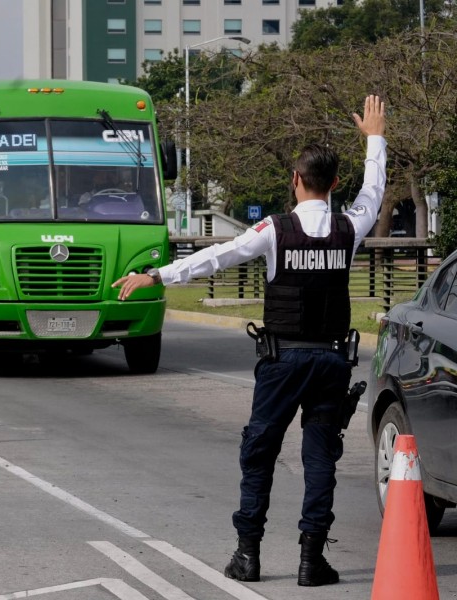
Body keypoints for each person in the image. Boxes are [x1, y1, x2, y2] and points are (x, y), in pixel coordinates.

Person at [112, 95, 386, 587]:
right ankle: (311, 560)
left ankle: (248, 555)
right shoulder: (351, 226)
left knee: (259, 454)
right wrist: (374, 139)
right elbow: (376, 189)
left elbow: (217, 256)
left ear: (295, 181)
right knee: (321, 457)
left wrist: (156, 275)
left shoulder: (274, 230)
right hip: (331, 362)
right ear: (335, 185)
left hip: (282, 362)